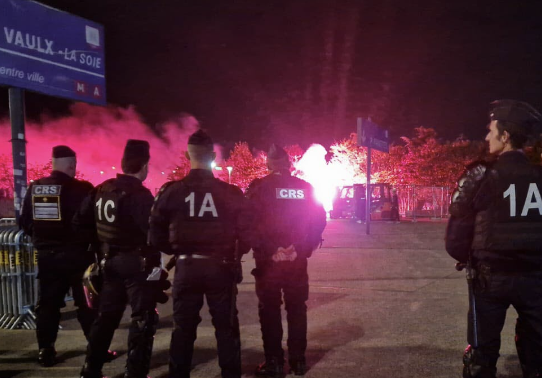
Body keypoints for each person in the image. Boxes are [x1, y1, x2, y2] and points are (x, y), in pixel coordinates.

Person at [446, 99, 542, 378]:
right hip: (536, 278)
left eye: (491, 131)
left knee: (481, 353)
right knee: (537, 349)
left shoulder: (481, 175)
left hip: (489, 279)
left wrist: (470, 258)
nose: (487, 137)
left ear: (505, 135)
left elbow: (455, 237)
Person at [149, 129, 253, 378]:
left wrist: (176, 250)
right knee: (226, 328)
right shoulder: (230, 193)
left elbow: (155, 235)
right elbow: (248, 234)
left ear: (187, 155)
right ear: (213, 156)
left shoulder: (171, 192)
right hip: (221, 267)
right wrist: (234, 253)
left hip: (186, 267)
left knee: (183, 329)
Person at [76, 140, 163, 378]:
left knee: (106, 317)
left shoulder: (102, 189)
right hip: (136, 264)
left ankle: (90, 369)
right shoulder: (141, 195)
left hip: (109, 262)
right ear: (144, 165)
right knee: (142, 319)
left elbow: (80, 222)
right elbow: (153, 235)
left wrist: (99, 249)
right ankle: (135, 372)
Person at [246, 144, 327, 377]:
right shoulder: (305, 188)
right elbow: (319, 220)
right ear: (289, 163)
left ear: (269, 164)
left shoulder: (258, 188)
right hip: (296, 261)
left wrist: (271, 250)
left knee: (269, 310)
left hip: (268, 263)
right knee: (296, 309)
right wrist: (299, 249)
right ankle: (298, 361)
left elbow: (248, 223)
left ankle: (274, 362)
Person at [19, 145, 99, 367]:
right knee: (86, 305)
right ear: (72, 165)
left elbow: (25, 222)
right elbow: (94, 223)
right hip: (79, 257)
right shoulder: (84, 189)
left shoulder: (36, 188)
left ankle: (46, 350)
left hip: (48, 257)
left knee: (47, 306)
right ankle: (96, 349)